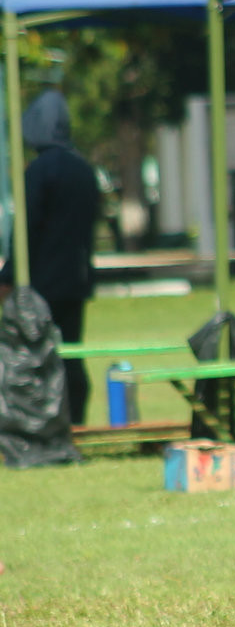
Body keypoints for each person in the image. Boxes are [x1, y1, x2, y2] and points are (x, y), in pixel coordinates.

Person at [0, 89, 100, 424]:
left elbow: (25, 232)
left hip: (41, 284)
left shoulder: (39, 172)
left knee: (34, 356)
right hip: (76, 281)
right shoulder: (84, 171)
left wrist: (9, 275)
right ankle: (77, 419)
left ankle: (41, 424)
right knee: (72, 352)